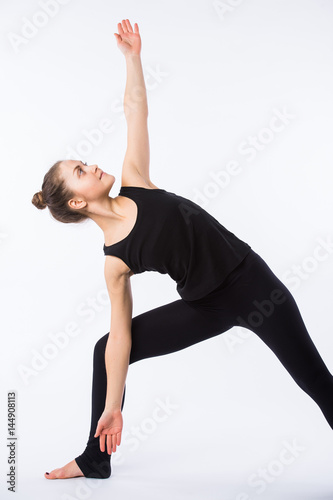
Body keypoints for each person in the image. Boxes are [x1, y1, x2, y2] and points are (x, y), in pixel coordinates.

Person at [31, 19, 333, 480]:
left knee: (317, 382)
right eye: (80, 169)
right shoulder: (115, 260)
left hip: (254, 285)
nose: (91, 164)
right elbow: (120, 340)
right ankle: (96, 457)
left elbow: (135, 110)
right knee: (104, 347)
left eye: (84, 161)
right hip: (204, 306)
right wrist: (113, 408)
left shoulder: (135, 180)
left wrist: (132, 58)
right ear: (76, 201)